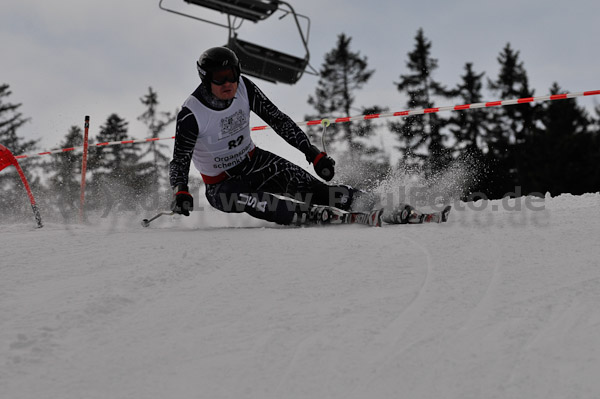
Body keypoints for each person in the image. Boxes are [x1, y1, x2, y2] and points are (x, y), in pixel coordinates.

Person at [169, 47, 449, 226]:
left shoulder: (244, 88)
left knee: (317, 190)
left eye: (231, 74)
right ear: (206, 79)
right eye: (219, 78)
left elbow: (278, 120)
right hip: (222, 186)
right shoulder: (191, 113)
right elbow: (179, 159)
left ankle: (375, 204)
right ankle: (303, 214)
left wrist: (312, 153)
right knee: (248, 199)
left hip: (256, 163)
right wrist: (180, 189)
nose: (228, 83)